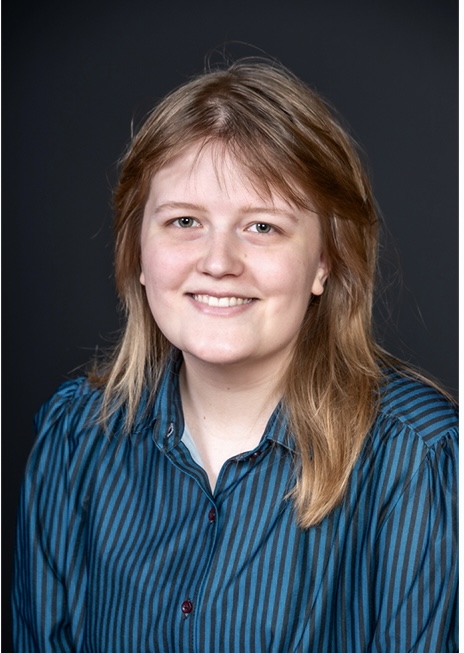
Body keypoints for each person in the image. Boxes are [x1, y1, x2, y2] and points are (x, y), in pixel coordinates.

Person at [12, 59, 457, 652]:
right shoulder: (74, 437)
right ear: (139, 252)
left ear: (325, 261)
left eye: (263, 227)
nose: (218, 261)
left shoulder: (417, 457)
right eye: (185, 221)